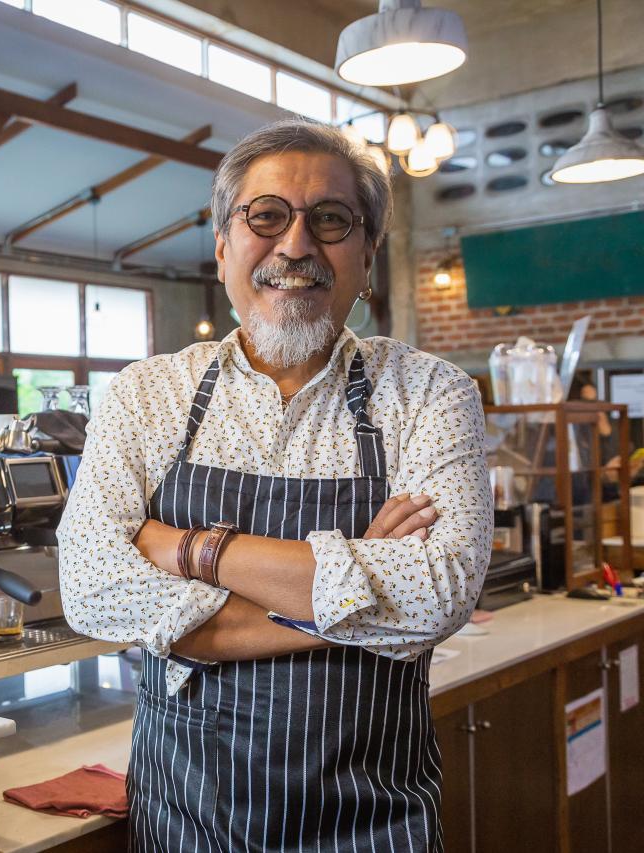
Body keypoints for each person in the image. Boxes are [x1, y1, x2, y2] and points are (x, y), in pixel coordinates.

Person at [57, 118, 491, 852]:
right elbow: (90, 584)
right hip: (183, 819)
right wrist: (351, 606)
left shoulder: (431, 393)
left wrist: (190, 549)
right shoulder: (147, 395)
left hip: (372, 822)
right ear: (224, 245)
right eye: (266, 216)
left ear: (368, 254)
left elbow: (439, 592)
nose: (296, 246)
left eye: (330, 220)